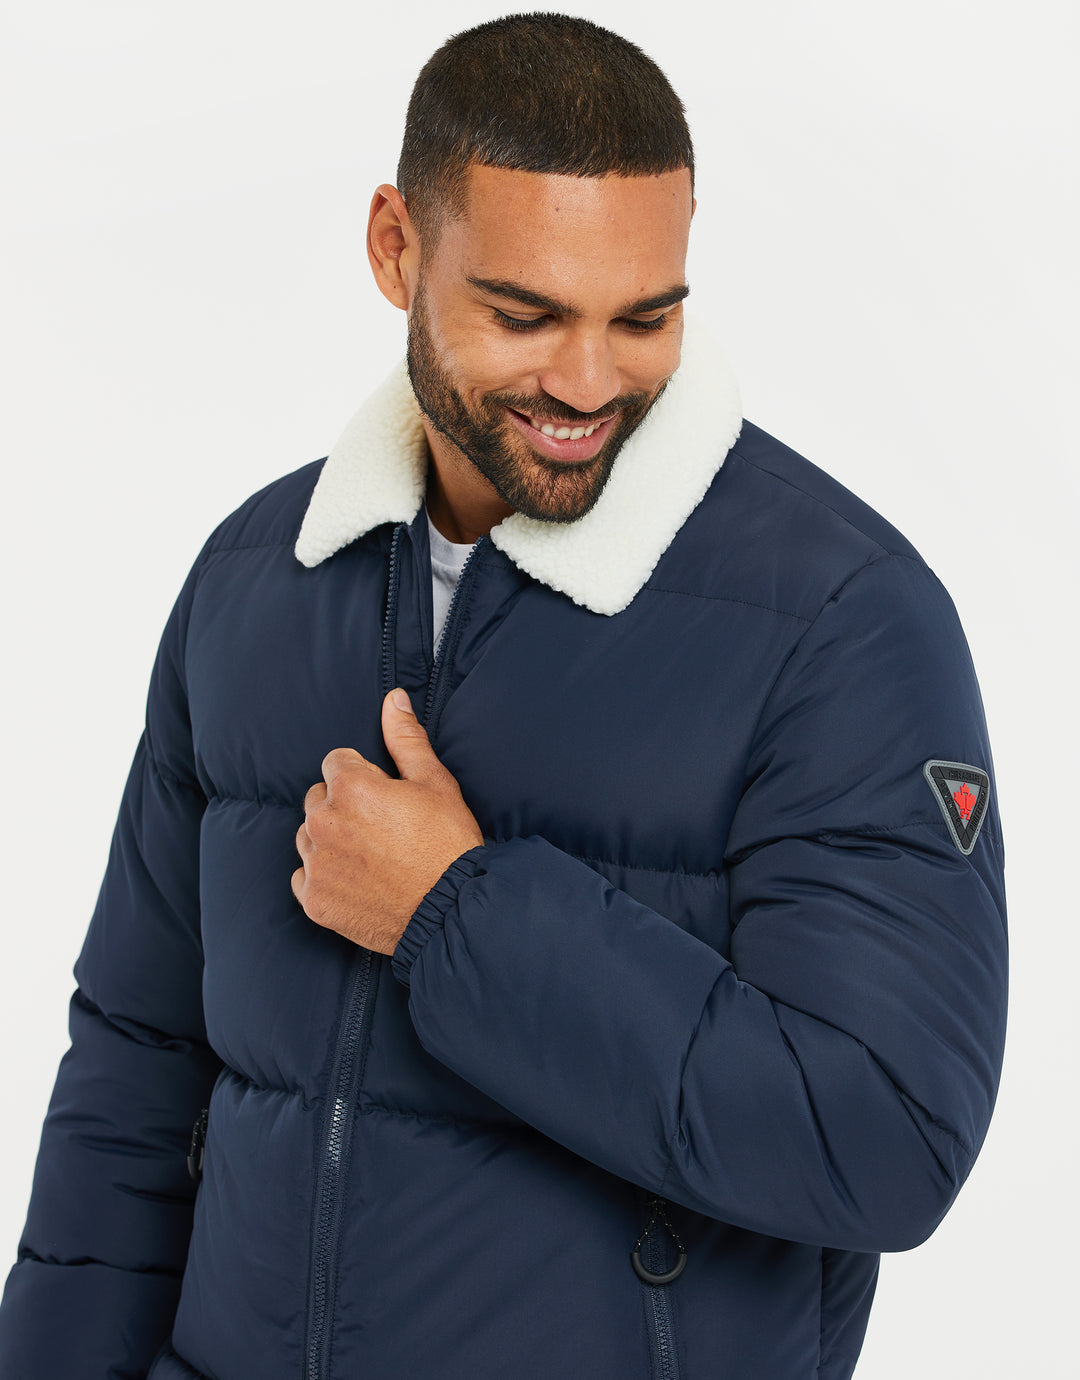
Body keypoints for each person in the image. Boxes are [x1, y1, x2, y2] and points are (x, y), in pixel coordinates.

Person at [0, 13, 1007, 1379]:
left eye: (644, 317)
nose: (588, 383)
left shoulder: (843, 621)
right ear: (395, 249)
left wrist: (455, 914)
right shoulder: (255, 580)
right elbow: (134, 1069)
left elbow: (884, 1143)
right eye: (525, 316)